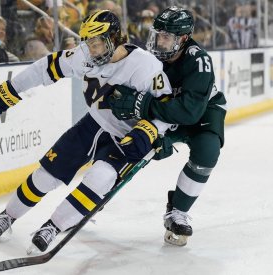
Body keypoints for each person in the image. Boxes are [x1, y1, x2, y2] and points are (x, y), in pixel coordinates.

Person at [0, 10, 175, 253]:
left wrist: (151, 130)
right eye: (88, 43)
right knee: (46, 174)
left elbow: (169, 107)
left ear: (115, 38)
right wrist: (10, 90)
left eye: (97, 43)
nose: (91, 50)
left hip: (125, 136)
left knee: (100, 178)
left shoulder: (145, 66)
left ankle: (54, 225)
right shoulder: (84, 55)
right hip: (92, 124)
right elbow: (45, 67)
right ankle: (7, 216)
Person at [108, 6, 227, 246]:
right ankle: (96, 193)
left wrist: (148, 113)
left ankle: (178, 212)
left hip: (203, 114)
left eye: (166, 37)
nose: (159, 41)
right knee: (136, 144)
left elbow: (189, 112)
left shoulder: (199, 60)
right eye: (157, 35)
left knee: (207, 151)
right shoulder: (149, 58)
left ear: (183, 38)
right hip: (169, 111)